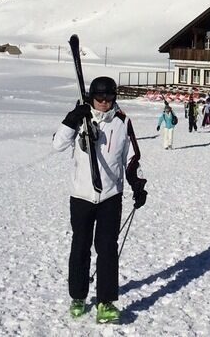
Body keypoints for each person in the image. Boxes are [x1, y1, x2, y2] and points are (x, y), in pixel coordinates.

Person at [52, 75, 147, 324]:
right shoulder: (81, 119)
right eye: (99, 97)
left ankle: (105, 302)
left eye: (109, 97)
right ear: (91, 97)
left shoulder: (122, 122)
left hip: (110, 197)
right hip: (82, 196)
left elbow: (131, 157)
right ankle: (78, 296)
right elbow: (57, 145)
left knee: (107, 249)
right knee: (80, 246)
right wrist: (71, 119)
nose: (104, 102)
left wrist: (137, 184)